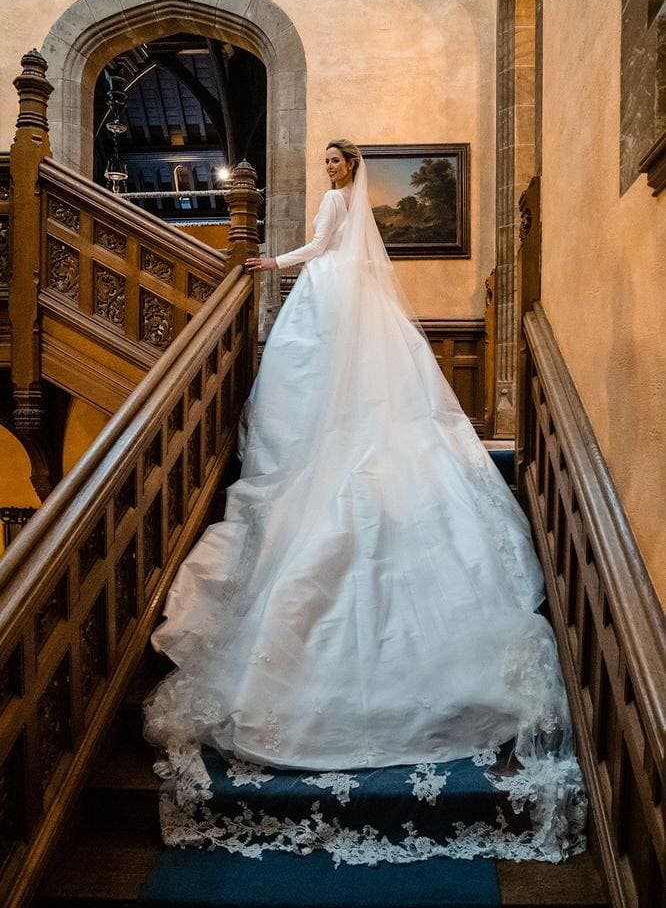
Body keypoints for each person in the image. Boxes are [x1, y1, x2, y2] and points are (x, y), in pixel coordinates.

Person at [143, 139, 585, 863]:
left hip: (325, 298)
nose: (330, 168)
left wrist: (269, 264)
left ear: (350, 166)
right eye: (326, 161)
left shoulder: (334, 208)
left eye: (336, 160)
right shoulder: (358, 215)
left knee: (317, 398)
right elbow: (332, 248)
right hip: (345, 301)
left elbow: (317, 248)